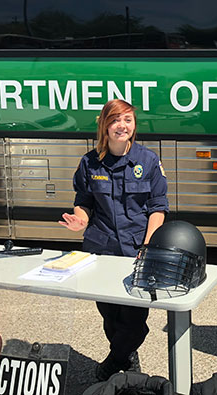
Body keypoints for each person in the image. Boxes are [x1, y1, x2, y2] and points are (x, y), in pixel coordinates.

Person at [59, 99, 169, 380]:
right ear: (105, 126)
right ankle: (128, 360)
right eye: (115, 120)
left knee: (134, 321)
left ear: (134, 125)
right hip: (100, 250)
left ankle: (115, 360)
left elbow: (158, 208)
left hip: (136, 251)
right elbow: (83, 201)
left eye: (128, 120)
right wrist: (79, 221)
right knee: (110, 315)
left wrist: (148, 246)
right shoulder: (89, 162)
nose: (122, 126)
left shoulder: (148, 161)